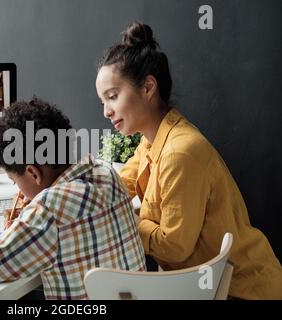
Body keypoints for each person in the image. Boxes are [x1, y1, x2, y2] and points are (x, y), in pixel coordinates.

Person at [95, 22, 282, 299]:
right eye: (103, 101)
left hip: (241, 290)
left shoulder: (179, 152)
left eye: (112, 97)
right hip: (203, 285)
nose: (106, 112)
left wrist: (129, 219)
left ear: (148, 87)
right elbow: (120, 184)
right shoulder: (153, 138)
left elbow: (174, 247)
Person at [0, 97, 146, 300]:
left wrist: (8, 231)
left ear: (33, 173)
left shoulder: (47, 210)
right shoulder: (106, 172)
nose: (18, 190)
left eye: (15, 181)